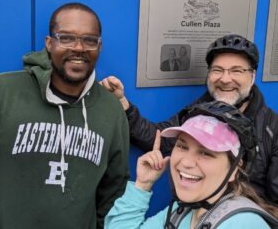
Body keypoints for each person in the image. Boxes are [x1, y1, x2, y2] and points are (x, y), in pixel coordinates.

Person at [100, 34, 278, 204]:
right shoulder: (197, 111)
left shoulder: (272, 128)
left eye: (236, 71)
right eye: (217, 70)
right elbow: (160, 139)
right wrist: (124, 106)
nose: (225, 79)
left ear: (253, 76)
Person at [0, 2, 129, 229]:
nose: (79, 48)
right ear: (50, 44)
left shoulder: (111, 110)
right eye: (67, 38)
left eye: (90, 40)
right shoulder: (5, 92)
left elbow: (114, 190)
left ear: (99, 47)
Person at [105, 101, 278, 228]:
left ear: (235, 169)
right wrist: (142, 185)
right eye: (181, 146)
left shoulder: (244, 224)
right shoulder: (182, 211)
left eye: (205, 152)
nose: (186, 162)